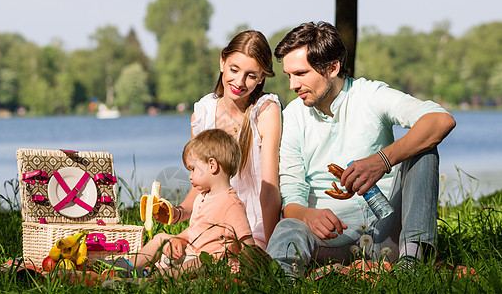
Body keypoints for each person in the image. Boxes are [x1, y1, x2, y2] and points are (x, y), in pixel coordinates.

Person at [265, 21, 456, 277]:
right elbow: (291, 196)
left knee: (423, 149)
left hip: (388, 227)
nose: (292, 85)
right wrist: (307, 215)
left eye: (300, 74)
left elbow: (440, 120)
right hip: (332, 235)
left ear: (332, 68)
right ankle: (281, 281)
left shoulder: (369, 95)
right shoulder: (293, 116)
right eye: (289, 75)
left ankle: (412, 262)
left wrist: (382, 161)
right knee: (288, 226)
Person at [154, 30, 282, 250]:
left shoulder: (264, 112)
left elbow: (269, 190)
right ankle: (115, 276)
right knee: (162, 246)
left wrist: (271, 252)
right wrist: (178, 213)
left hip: (252, 227)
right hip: (213, 222)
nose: (239, 81)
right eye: (234, 69)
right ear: (222, 61)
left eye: (251, 75)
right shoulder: (203, 114)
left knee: (211, 262)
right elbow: (204, 184)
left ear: (262, 77)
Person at [128, 129, 256, 277]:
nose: (190, 176)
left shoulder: (231, 205)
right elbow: (194, 230)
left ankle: (152, 277)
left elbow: (248, 243)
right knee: (160, 239)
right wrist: (178, 239)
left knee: (202, 261)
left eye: (193, 169)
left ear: (212, 165)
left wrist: (248, 272)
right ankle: (127, 267)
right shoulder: (202, 197)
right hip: (190, 253)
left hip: (210, 265)